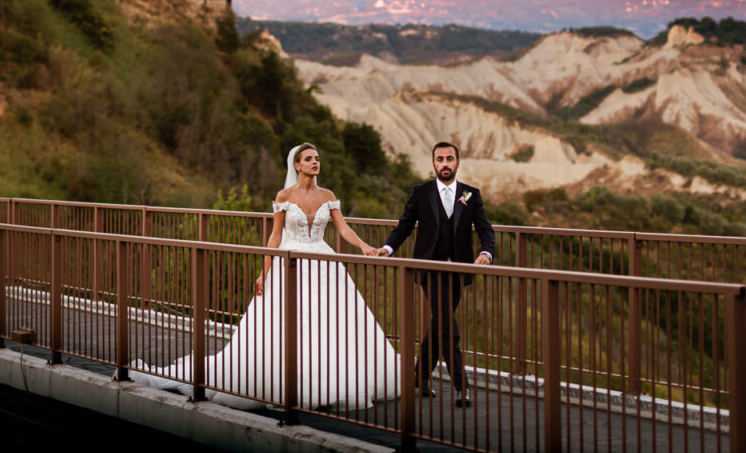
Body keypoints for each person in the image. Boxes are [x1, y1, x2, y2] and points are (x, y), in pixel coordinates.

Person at [132, 143, 402, 410]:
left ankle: (329, 380)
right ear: (297, 166)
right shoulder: (284, 196)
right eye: (308, 159)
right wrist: (264, 273)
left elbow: (343, 229)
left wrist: (366, 247)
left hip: (322, 260)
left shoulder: (328, 195)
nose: (314, 163)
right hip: (289, 260)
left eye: (317, 158)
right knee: (287, 322)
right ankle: (289, 382)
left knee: (330, 321)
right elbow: (274, 237)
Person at [373, 141, 494, 406]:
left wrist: (486, 253)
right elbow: (404, 226)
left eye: (450, 159)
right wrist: (388, 248)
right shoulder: (420, 192)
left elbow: (486, 229)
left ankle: (420, 375)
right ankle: (462, 387)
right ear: (434, 164)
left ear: (458, 163)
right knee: (449, 329)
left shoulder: (471, 194)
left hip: (458, 269)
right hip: (429, 269)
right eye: (440, 159)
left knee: (440, 323)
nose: (445, 164)